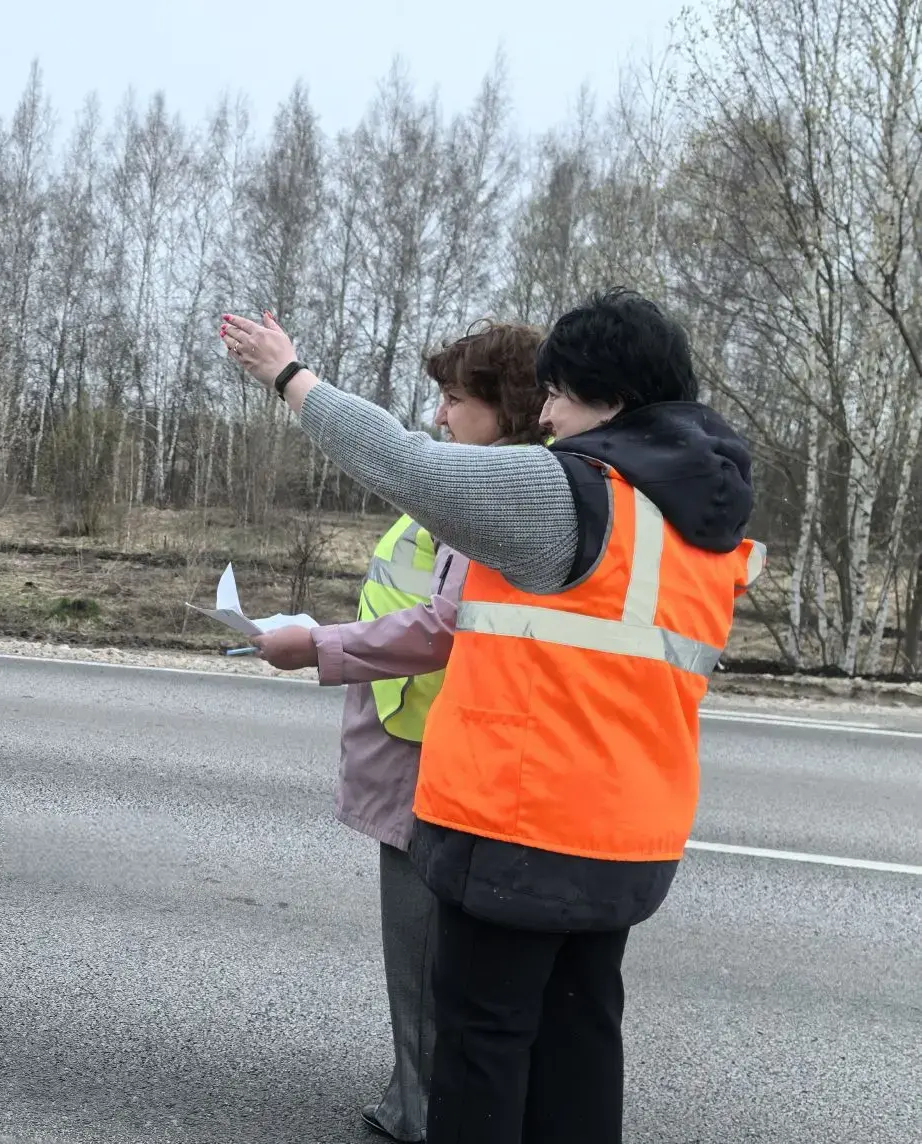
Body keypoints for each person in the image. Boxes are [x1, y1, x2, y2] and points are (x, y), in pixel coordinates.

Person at [220, 291, 763, 1144]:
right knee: (579, 1045)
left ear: (611, 399)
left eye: (560, 395)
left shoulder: (574, 493)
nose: (545, 417)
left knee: (482, 1052)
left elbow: (408, 465)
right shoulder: (697, 522)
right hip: (628, 835)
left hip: (521, 830)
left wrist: (291, 377)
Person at [252, 322, 545, 1143]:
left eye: (455, 400)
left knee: (423, 955)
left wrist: (318, 645)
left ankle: (420, 1109)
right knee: (439, 959)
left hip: (435, 749)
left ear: (507, 407)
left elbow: (443, 625)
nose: (440, 417)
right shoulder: (499, 488)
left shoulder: (494, 497)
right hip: (423, 734)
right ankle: (423, 1095)